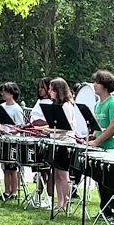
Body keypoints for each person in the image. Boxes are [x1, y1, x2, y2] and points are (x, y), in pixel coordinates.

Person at [88, 69, 114, 220]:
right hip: (100, 149)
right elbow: (98, 127)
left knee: (110, 184)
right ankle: (104, 210)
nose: (94, 85)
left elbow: (113, 127)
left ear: (105, 85)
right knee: (101, 183)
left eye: (97, 83)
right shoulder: (97, 104)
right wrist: (91, 137)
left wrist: (96, 141)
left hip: (113, 150)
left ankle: (111, 212)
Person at [46, 77, 77, 211]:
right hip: (57, 141)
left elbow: (67, 127)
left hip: (66, 142)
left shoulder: (67, 105)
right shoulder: (57, 106)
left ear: (57, 90)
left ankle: (67, 202)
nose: (49, 92)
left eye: (51, 89)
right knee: (57, 174)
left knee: (64, 175)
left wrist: (49, 129)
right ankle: (60, 202)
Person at [29, 77, 53, 208]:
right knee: (40, 169)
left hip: (47, 137)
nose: (40, 89)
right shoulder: (39, 102)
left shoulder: (52, 103)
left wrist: (41, 124)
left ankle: (48, 197)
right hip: (37, 137)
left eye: (43, 87)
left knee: (49, 170)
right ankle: (38, 194)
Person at [0, 82, 25, 201]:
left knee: (13, 168)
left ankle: (14, 192)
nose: (3, 94)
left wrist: (9, 131)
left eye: (6, 91)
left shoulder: (16, 109)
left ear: (12, 94)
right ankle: (6, 191)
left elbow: (20, 126)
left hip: (13, 141)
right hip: (3, 139)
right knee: (5, 167)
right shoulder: (2, 106)